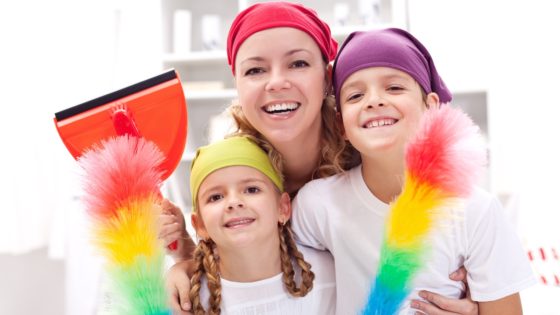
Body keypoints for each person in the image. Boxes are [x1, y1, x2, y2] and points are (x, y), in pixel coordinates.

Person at [162, 2, 480, 314]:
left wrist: (464, 294)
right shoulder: (235, 169)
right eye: (255, 70)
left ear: (327, 76)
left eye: (297, 63)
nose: (276, 82)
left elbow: (454, 240)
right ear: (238, 85)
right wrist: (187, 259)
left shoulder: (371, 144)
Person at [290, 28, 537, 315]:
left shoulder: (476, 211)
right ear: (341, 124)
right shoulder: (318, 204)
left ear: (431, 107)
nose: (374, 101)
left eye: (394, 88)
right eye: (355, 95)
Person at [184, 135, 335, 314]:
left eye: (251, 189)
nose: (234, 202)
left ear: (282, 207)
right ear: (199, 224)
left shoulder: (332, 274)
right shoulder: (189, 301)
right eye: (215, 197)